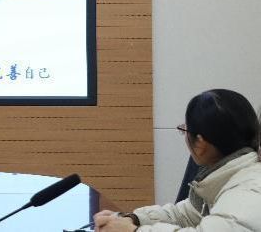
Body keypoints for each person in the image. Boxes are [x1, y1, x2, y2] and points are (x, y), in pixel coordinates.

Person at [94, 88, 261, 231]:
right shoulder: (226, 178)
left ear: (200, 144)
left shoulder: (249, 192)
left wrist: (133, 230)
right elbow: (185, 215)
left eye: (185, 130)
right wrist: (133, 219)